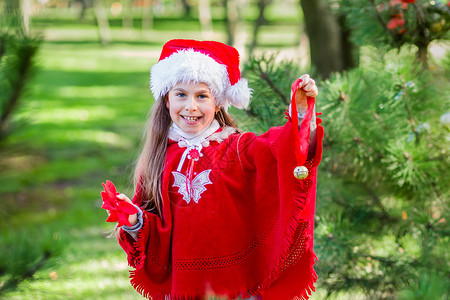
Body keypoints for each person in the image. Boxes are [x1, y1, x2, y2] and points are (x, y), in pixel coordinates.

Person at [105, 39, 323, 300]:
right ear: (166, 99)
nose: (191, 106)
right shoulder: (157, 159)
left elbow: (282, 151)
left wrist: (300, 114)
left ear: (218, 103)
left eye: (202, 96)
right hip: (183, 287)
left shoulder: (238, 148)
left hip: (236, 285)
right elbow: (153, 235)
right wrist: (134, 220)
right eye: (181, 94)